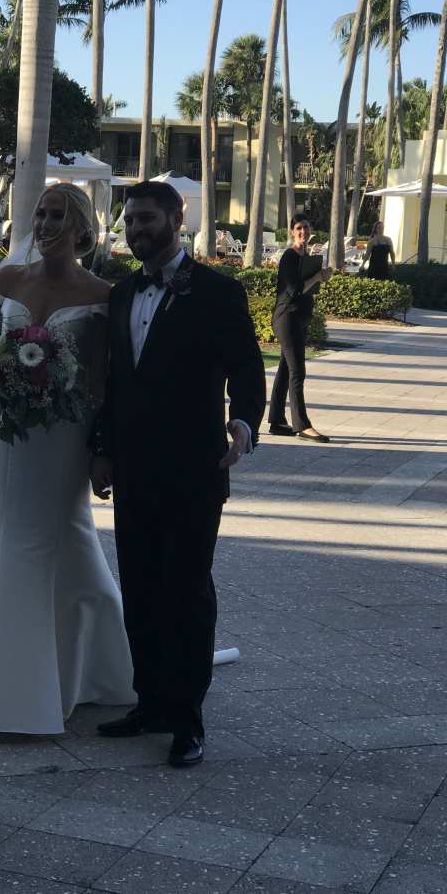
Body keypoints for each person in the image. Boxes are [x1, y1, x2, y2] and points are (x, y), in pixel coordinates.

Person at [0, 184, 136, 732]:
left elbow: (103, 379)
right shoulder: (7, 279)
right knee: (5, 534)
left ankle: (66, 671)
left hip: (65, 437)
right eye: (41, 214)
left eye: (58, 217)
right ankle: (25, 669)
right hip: (9, 430)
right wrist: (4, 376)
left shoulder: (102, 294)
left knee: (60, 533)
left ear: (81, 229)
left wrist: (101, 448)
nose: (46, 225)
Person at [90, 182, 266, 768]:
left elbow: (247, 368)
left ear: (176, 218)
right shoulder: (121, 293)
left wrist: (243, 424)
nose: (135, 230)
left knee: (187, 592)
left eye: (146, 218)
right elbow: (114, 383)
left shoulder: (218, 291)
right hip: (133, 468)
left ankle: (187, 720)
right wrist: (102, 449)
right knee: (140, 589)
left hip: (195, 468)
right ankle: (149, 703)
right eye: (129, 221)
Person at [268, 215, 333, 443]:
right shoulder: (289, 256)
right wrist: (316, 277)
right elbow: (294, 290)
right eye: (298, 228)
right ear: (292, 232)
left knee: (286, 370)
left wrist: (322, 277)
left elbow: (308, 288)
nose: (303, 231)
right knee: (297, 372)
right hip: (287, 318)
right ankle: (302, 425)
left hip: (299, 318)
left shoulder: (306, 257)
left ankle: (277, 421)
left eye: (306, 227)